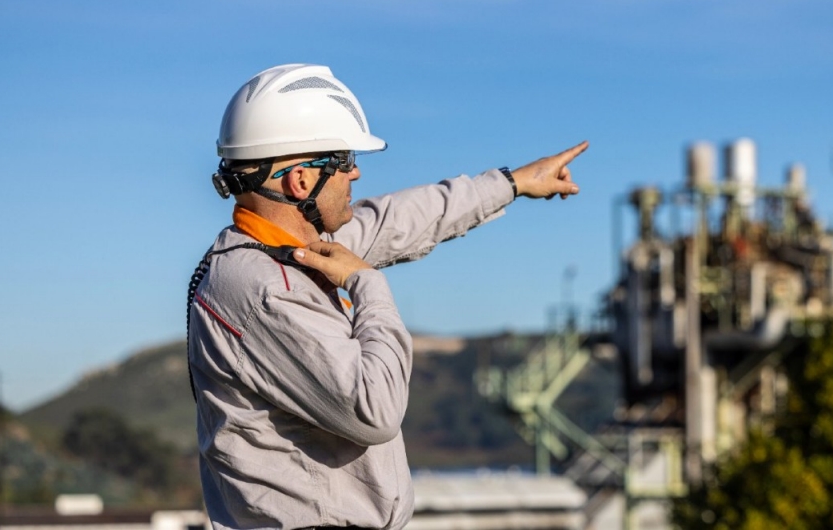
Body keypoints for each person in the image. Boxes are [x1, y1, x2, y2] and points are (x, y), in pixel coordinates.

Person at [187, 63, 587, 530]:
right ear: (301, 181)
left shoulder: (287, 250)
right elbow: (373, 410)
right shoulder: (264, 289)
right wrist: (368, 285)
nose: (356, 173)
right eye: (344, 160)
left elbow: (395, 220)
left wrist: (511, 183)